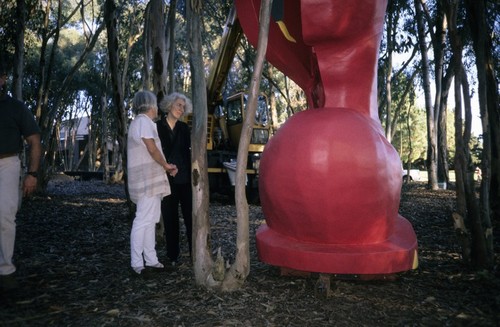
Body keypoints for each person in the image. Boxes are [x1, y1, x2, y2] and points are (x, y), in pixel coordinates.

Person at [0, 58, 42, 290]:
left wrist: (32, 174)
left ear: (3, 79)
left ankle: (5, 269)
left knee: (5, 215)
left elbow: (34, 141)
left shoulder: (16, 108)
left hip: (7, 163)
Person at [127, 90, 178, 275]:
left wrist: (166, 167)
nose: (157, 108)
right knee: (143, 220)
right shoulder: (143, 122)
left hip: (150, 180)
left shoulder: (142, 123)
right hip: (146, 181)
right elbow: (152, 149)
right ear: (149, 106)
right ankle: (136, 263)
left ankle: (151, 259)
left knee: (150, 221)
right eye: (156, 104)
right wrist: (166, 165)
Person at [157, 92, 193, 265]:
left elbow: (187, 154)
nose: (181, 109)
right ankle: (173, 256)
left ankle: (196, 253)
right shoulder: (157, 127)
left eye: (183, 107)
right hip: (165, 179)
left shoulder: (184, 128)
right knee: (170, 219)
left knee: (190, 218)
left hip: (185, 180)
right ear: (169, 105)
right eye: (179, 105)